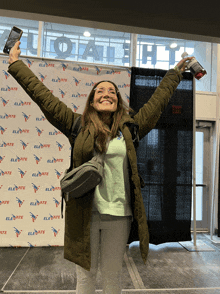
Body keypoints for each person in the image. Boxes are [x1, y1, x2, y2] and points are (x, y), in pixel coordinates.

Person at [8, 41, 193, 294]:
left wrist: (174, 75)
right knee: (85, 278)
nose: (107, 93)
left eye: (112, 91)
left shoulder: (130, 129)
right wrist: (16, 65)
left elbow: (157, 103)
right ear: (92, 102)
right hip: (85, 214)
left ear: (118, 101)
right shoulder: (77, 126)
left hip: (119, 215)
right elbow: (44, 98)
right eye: (100, 91)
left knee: (112, 277)